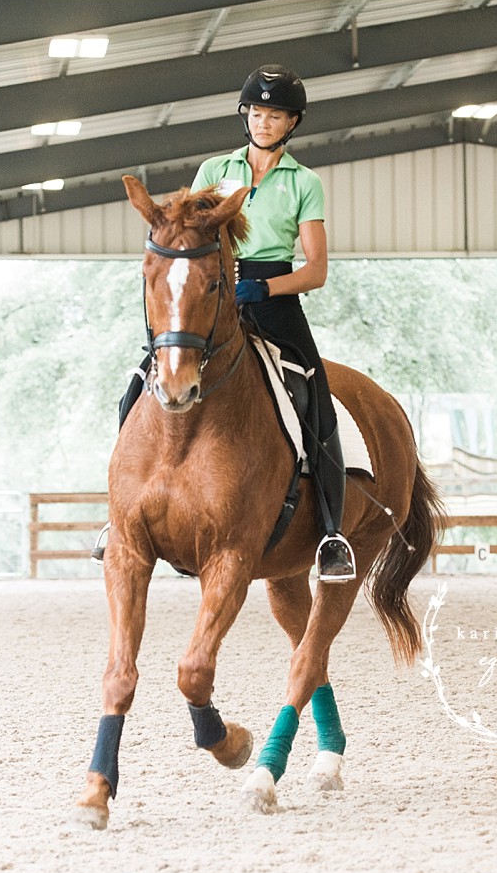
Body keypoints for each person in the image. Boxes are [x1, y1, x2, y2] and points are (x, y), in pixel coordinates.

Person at [93, 64, 356, 582]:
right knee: (138, 384)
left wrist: (264, 287)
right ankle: (120, 517)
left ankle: (329, 533)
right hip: (210, 291)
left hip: (273, 297)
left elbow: (316, 270)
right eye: (257, 113)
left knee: (315, 397)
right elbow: (189, 232)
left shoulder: (305, 182)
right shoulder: (216, 168)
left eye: (274, 115)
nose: (263, 122)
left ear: (291, 123)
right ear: (246, 117)